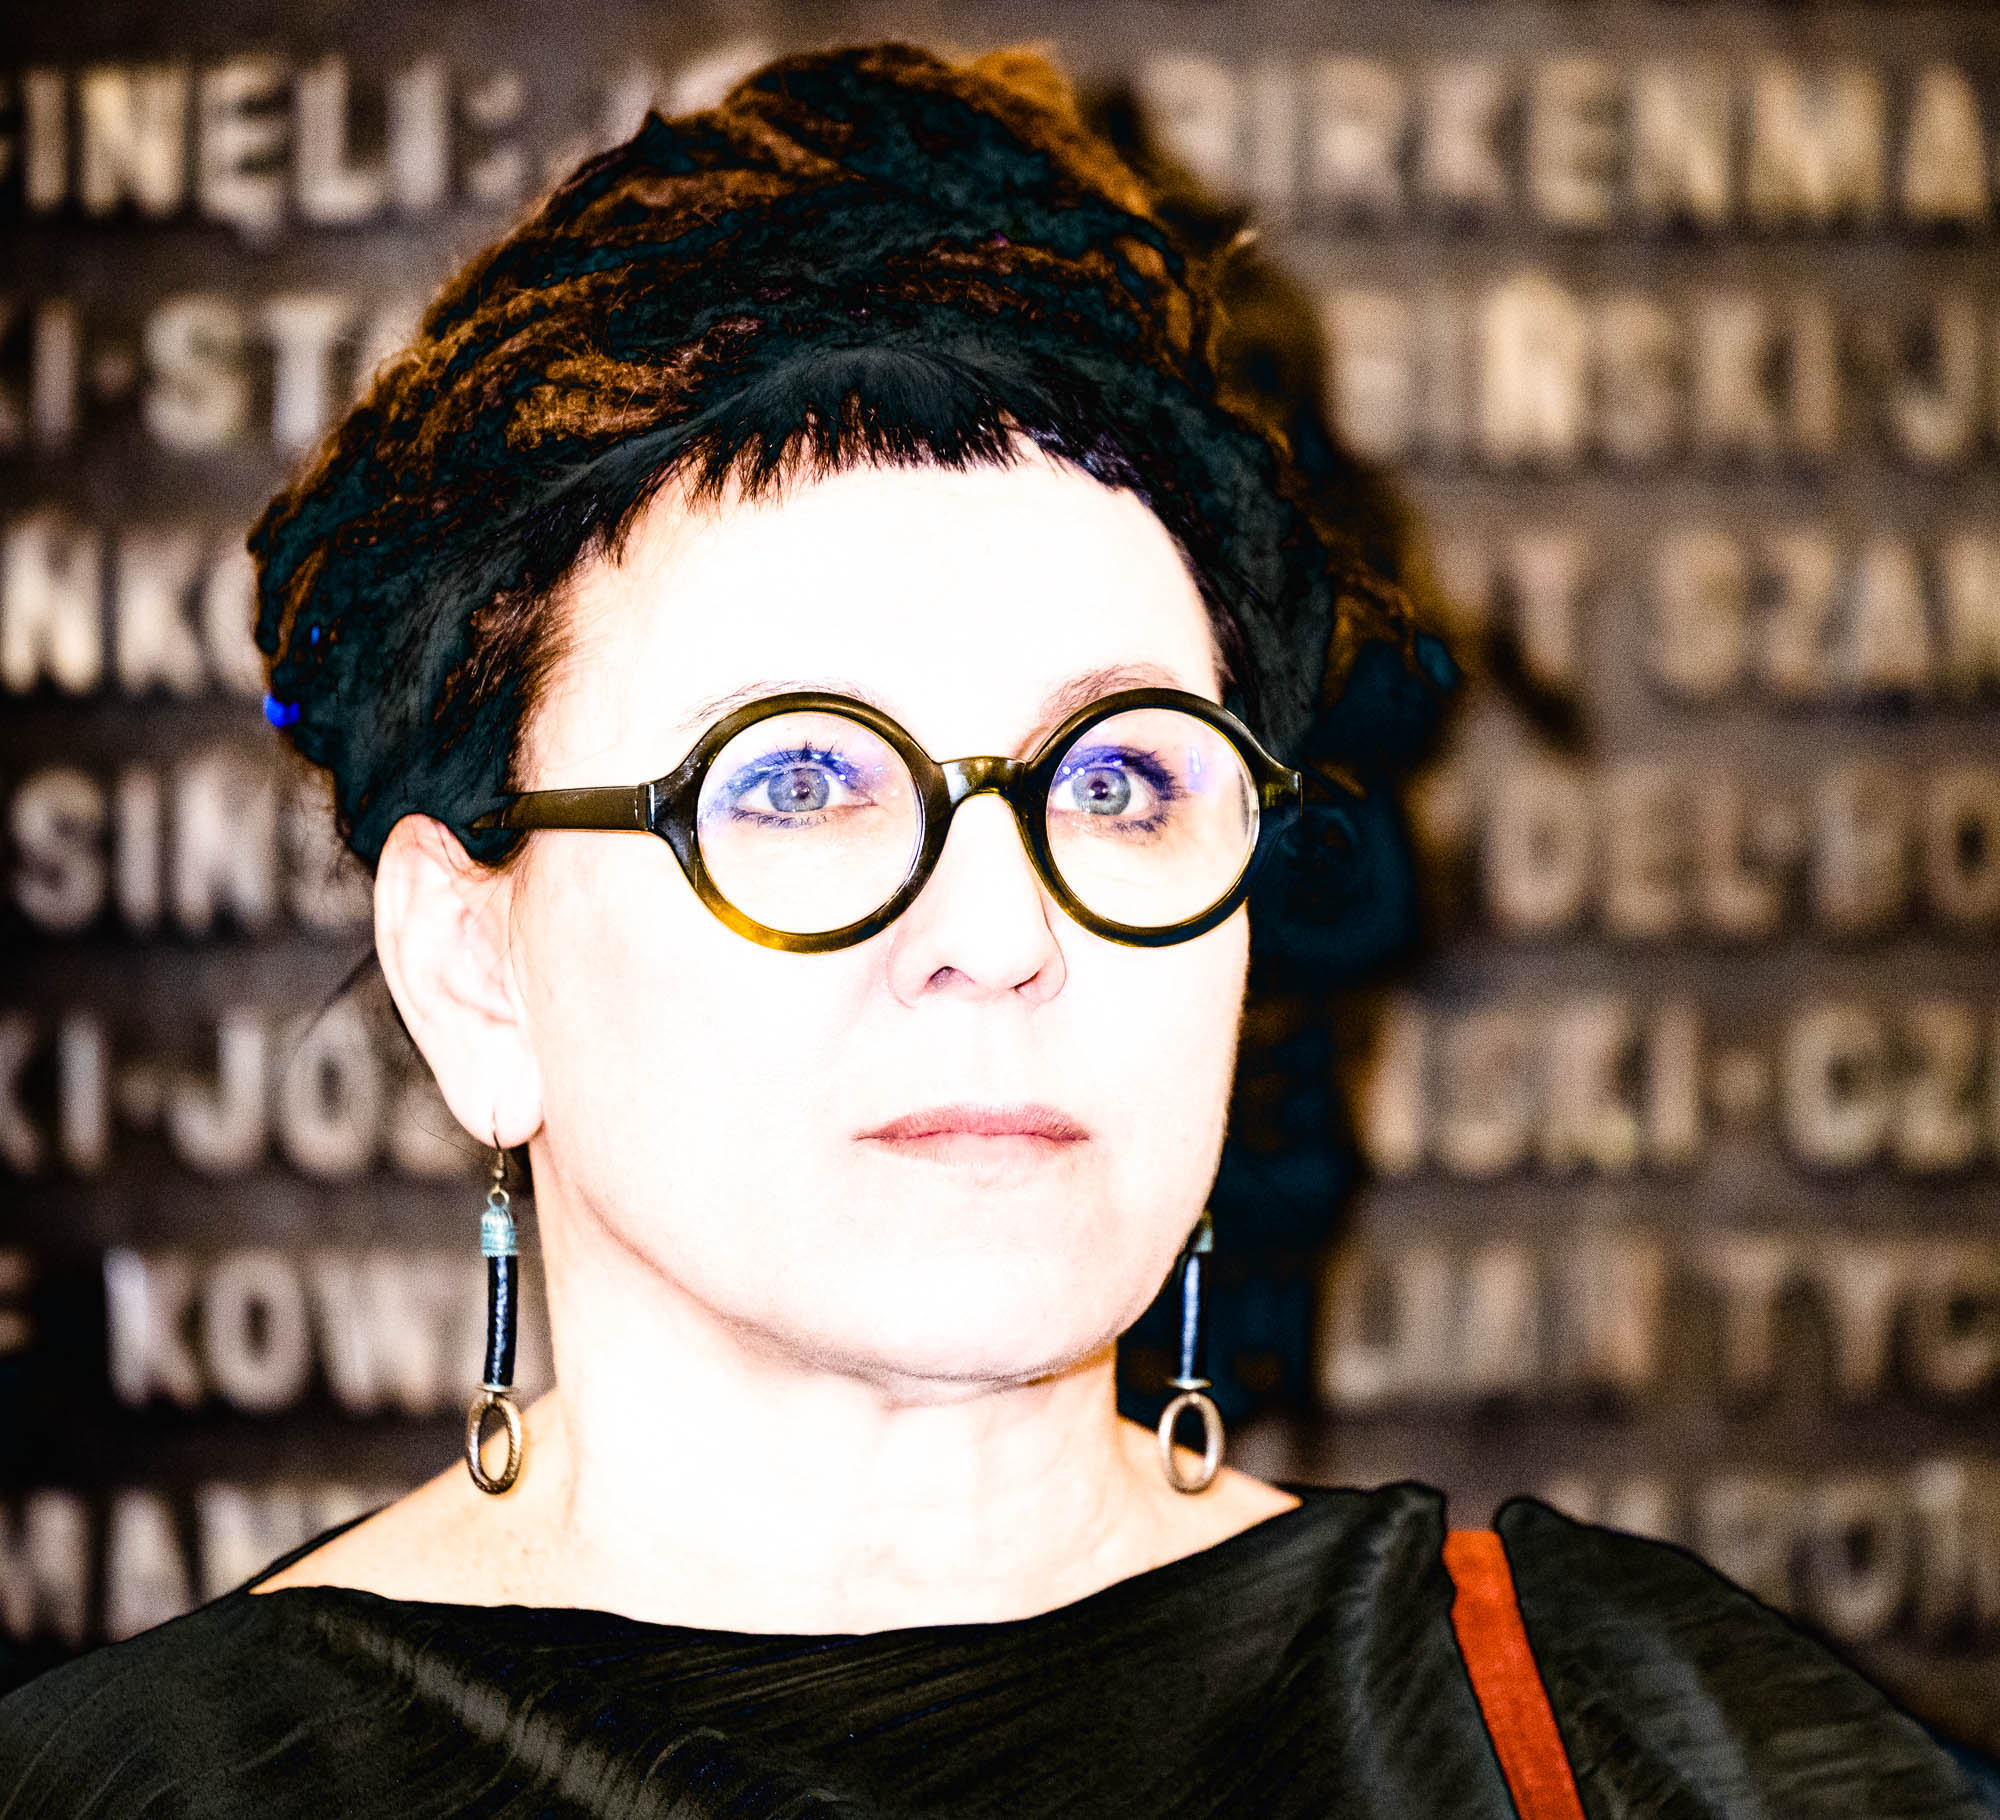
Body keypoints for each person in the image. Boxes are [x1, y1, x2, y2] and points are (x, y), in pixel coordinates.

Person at [0, 42, 1981, 1820]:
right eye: (797, 783)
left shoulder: (1624, 1736)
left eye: (1115, 783)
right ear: (474, 968)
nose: (1000, 927)